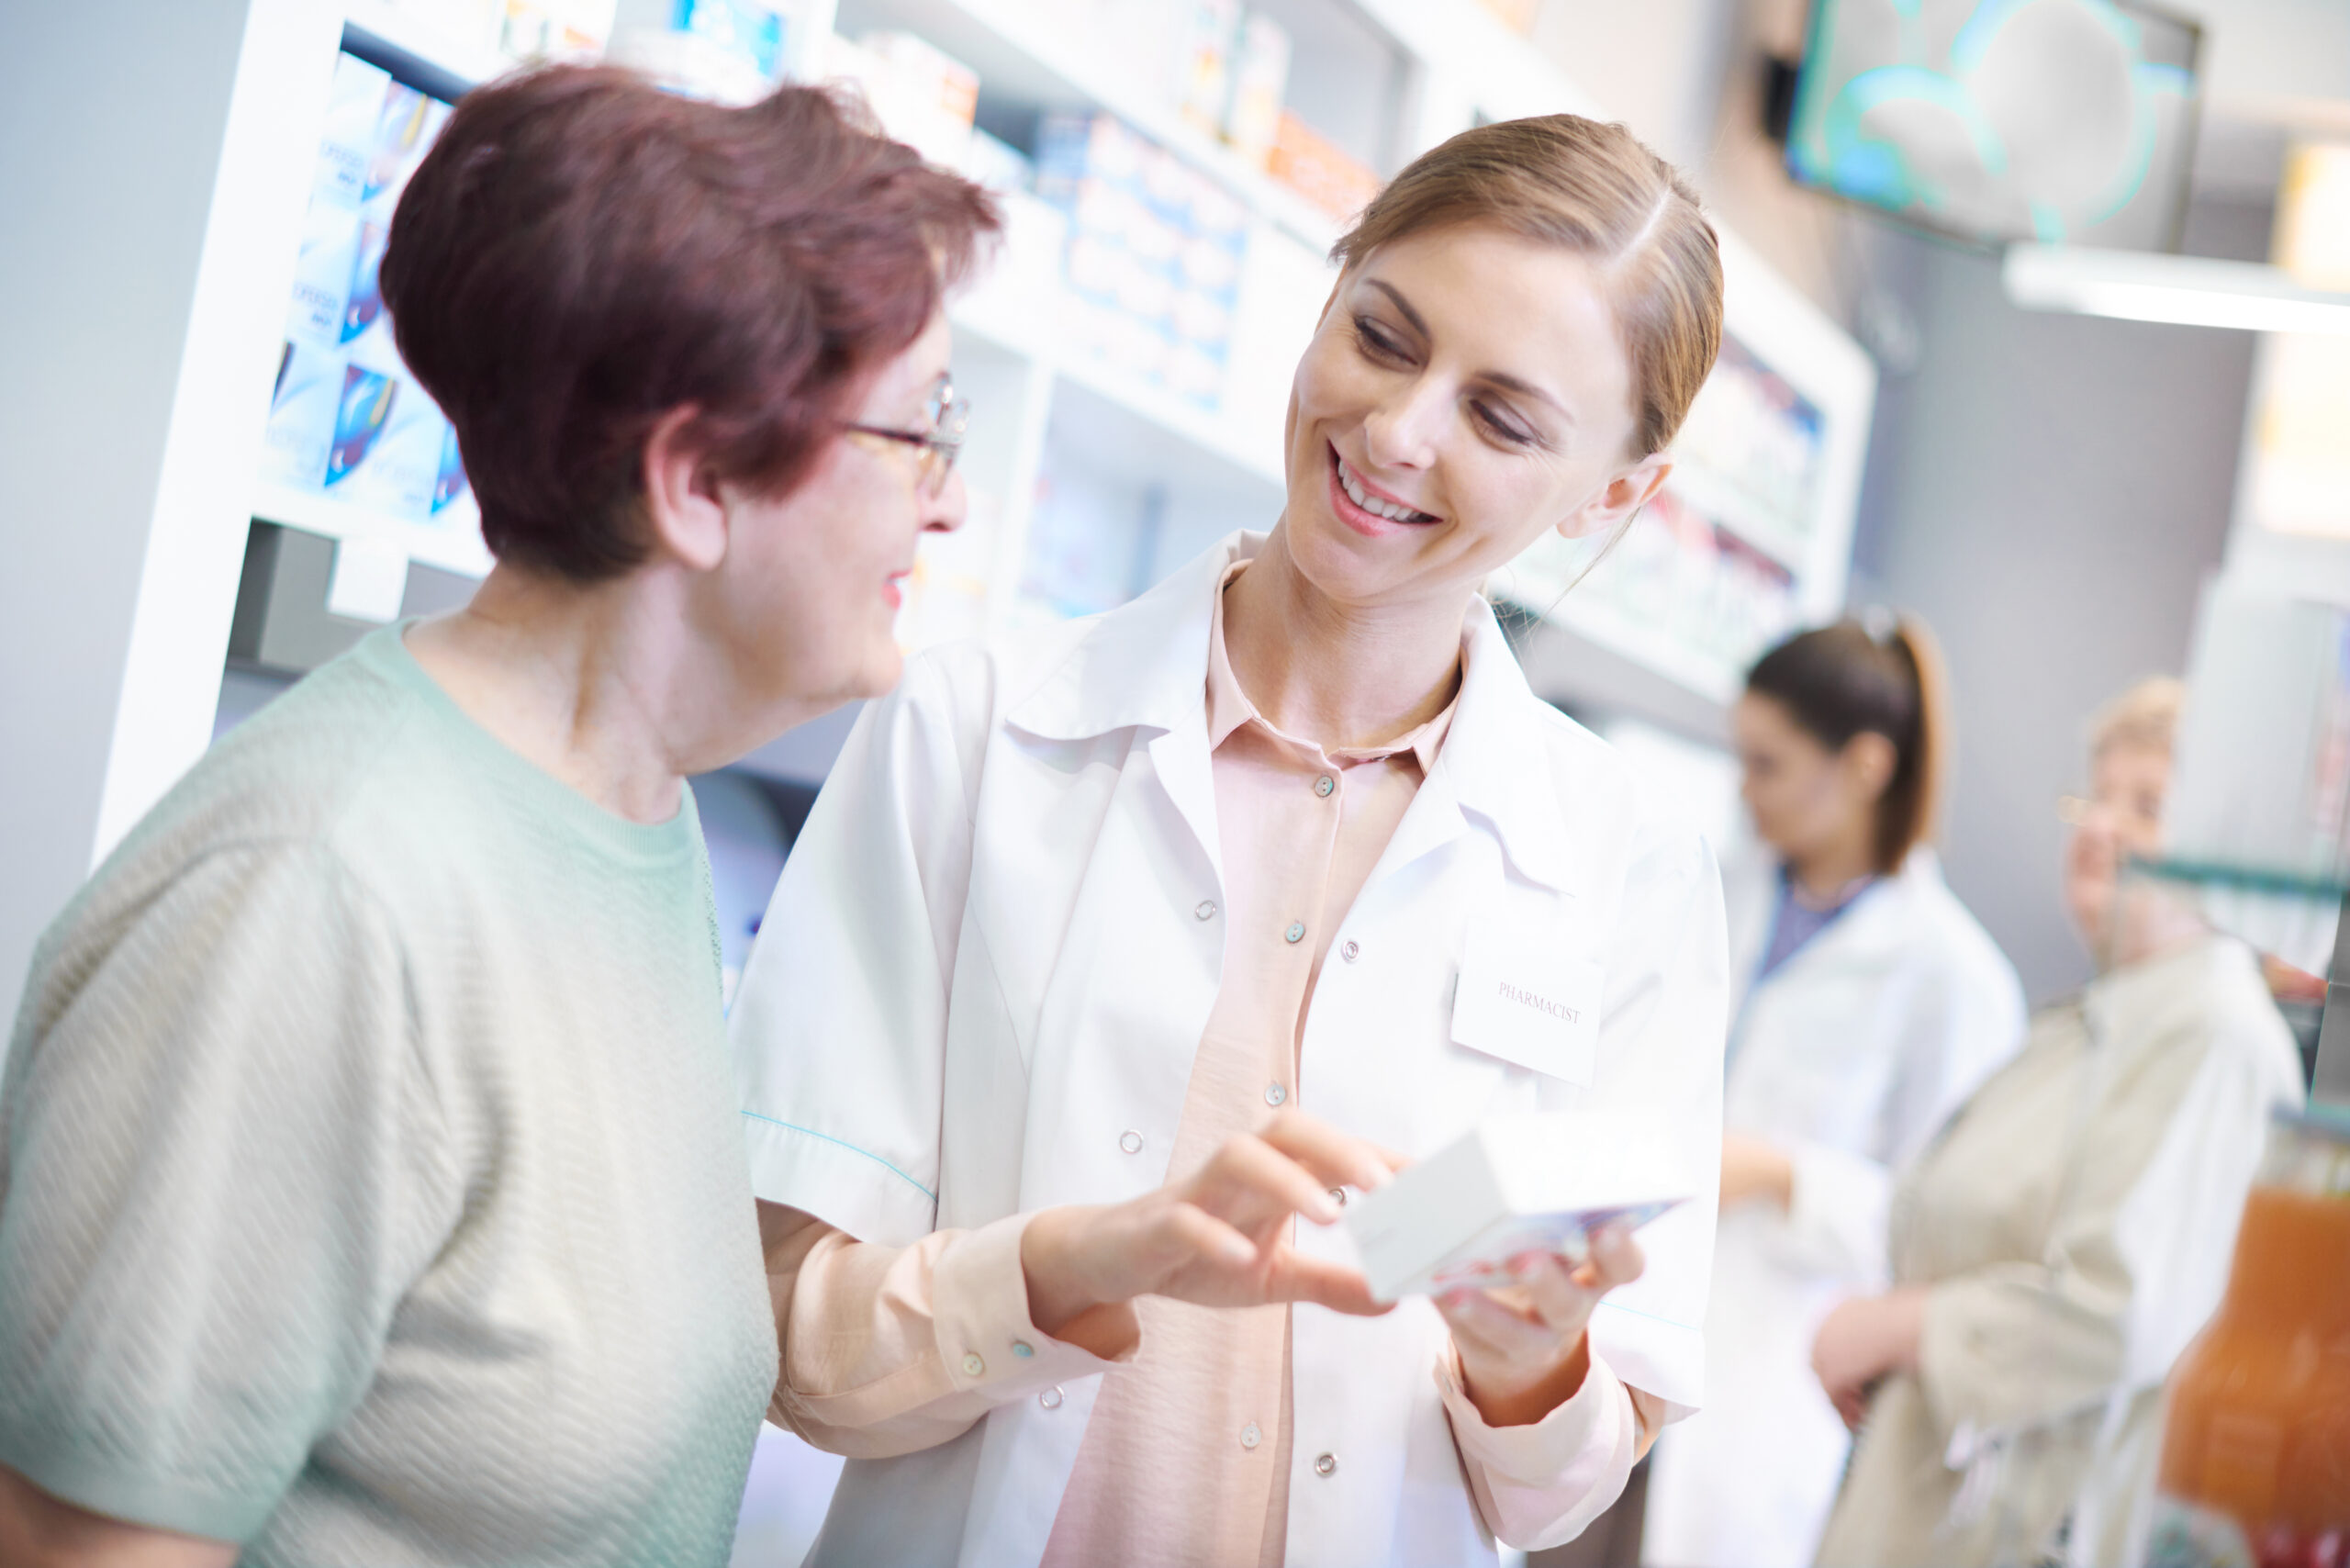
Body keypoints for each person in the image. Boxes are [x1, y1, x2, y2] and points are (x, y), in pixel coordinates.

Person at [0, 72, 993, 1568]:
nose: (949, 503)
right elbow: (86, 1537)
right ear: (700, 479)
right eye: (919, 431)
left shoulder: (632, 816)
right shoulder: (318, 892)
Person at [728, 115, 1730, 1567]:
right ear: (1324, 301)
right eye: (1383, 336)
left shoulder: (1627, 866)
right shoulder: (977, 730)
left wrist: (1532, 1366)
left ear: (1617, 493)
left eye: (1502, 418)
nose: (1398, 431)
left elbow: (1558, 1492)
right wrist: (1064, 1273)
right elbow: (784, 1342)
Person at [1808, 678, 2306, 1568]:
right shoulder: (2091, 1023)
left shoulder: (2212, 1035)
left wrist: (1894, 1327)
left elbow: (2111, 1314)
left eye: (2147, 806)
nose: (2101, 827)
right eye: (2096, 795)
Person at [1640, 617, 2027, 1568]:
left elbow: (1945, 1234)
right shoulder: (1704, 888)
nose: (1744, 788)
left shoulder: (1951, 976)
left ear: (1862, 765)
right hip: (1621, 1322)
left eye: (1767, 764)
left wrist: (1782, 1174)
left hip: (1760, 1376)